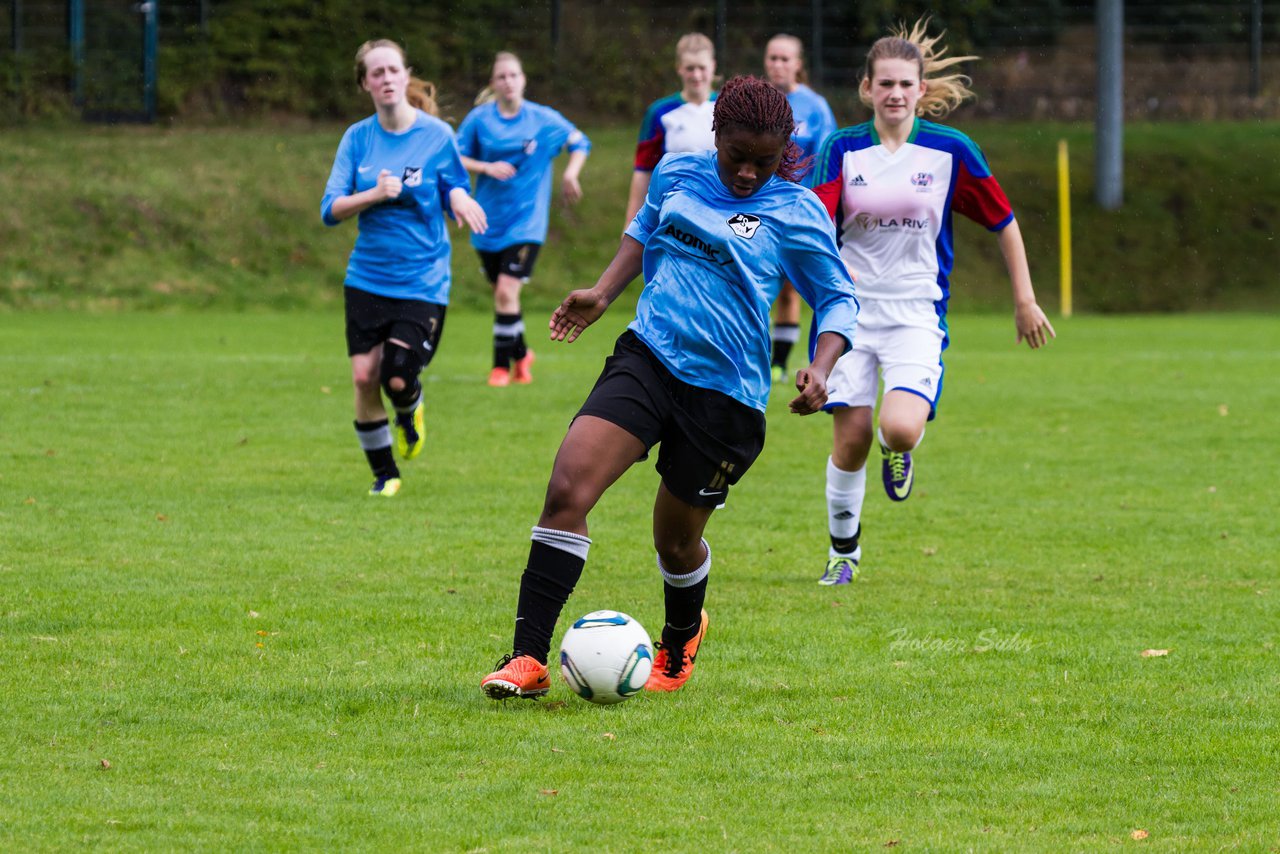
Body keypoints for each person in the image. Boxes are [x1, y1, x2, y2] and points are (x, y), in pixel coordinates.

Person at [480, 76, 859, 700]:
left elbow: (838, 299)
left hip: (724, 396)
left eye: (764, 162)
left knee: (676, 543)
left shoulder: (795, 210)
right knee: (567, 488)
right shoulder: (678, 172)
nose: (746, 172)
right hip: (649, 357)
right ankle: (526, 658)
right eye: (736, 155)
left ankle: (681, 637)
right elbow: (644, 229)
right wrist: (602, 292)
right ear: (716, 136)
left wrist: (822, 366)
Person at [809, 18, 1055, 585]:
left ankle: (902, 449)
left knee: (897, 429)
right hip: (848, 314)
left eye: (905, 84)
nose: (895, 94)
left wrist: (1025, 299)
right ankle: (843, 555)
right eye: (885, 84)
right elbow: (814, 227)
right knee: (850, 439)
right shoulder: (841, 149)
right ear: (867, 88)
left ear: (922, 90)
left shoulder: (950, 151)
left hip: (916, 314)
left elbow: (1004, 220)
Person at [321, 39, 487, 497]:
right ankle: (385, 474)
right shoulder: (357, 138)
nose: (386, 79)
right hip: (367, 278)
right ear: (364, 84)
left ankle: (410, 410)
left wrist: (460, 199)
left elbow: (454, 182)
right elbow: (329, 208)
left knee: (395, 373)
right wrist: (373, 194)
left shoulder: (436, 135)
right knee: (362, 376)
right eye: (376, 73)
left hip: (422, 278)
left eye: (393, 70)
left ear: (405, 75)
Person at [457, 52, 591, 387]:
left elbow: (580, 141)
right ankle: (521, 353)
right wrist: (486, 167)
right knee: (504, 296)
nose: (508, 82)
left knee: (505, 291)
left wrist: (571, 174)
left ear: (523, 79)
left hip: (526, 224)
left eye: (513, 75)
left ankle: (500, 366)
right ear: (493, 84)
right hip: (487, 222)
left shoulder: (543, 120)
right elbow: (454, 156)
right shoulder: (479, 120)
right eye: (501, 77)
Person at [763, 33, 839, 385]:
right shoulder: (757, 101)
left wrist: (822, 211)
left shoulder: (815, 107)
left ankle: (779, 363)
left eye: (784, 58)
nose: (778, 64)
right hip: (758, 206)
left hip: (798, 211)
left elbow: (827, 163)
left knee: (791, 287)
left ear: (798, 64)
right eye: (772, 58)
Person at [622, 33, 718, 228]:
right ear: (679, 69)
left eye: (702, 67)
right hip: (673, 215)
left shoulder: (728, 107)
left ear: (713, 66)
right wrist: (630, 226)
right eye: (690, 68)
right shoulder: (660, 112)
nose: (697, 75)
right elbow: (643, 172)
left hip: (719, 212)